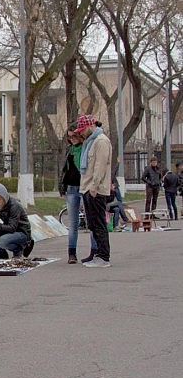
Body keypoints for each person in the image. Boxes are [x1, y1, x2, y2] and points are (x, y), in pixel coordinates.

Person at [75, 114, 112, 267]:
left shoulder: (101, 141)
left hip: (95, 189)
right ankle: (98, 254)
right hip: (88, 188)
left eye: (83, 130)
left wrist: (94, 187)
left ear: (91, 126)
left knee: (98, 223)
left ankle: (104, 256)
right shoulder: (90, 142)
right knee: (92, 224)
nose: (81, 133)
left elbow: (100, 166)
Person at [58, 123, 84, 263]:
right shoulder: (69, 149)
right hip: (71, 188)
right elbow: (63, 169)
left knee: (91, 221)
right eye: (69, 137)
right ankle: (71, 254)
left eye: (74, 136)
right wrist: (61, 186)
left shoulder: (85, 148)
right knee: (73, 223)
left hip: (84, 187)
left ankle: (95, 251)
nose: (72, 139)